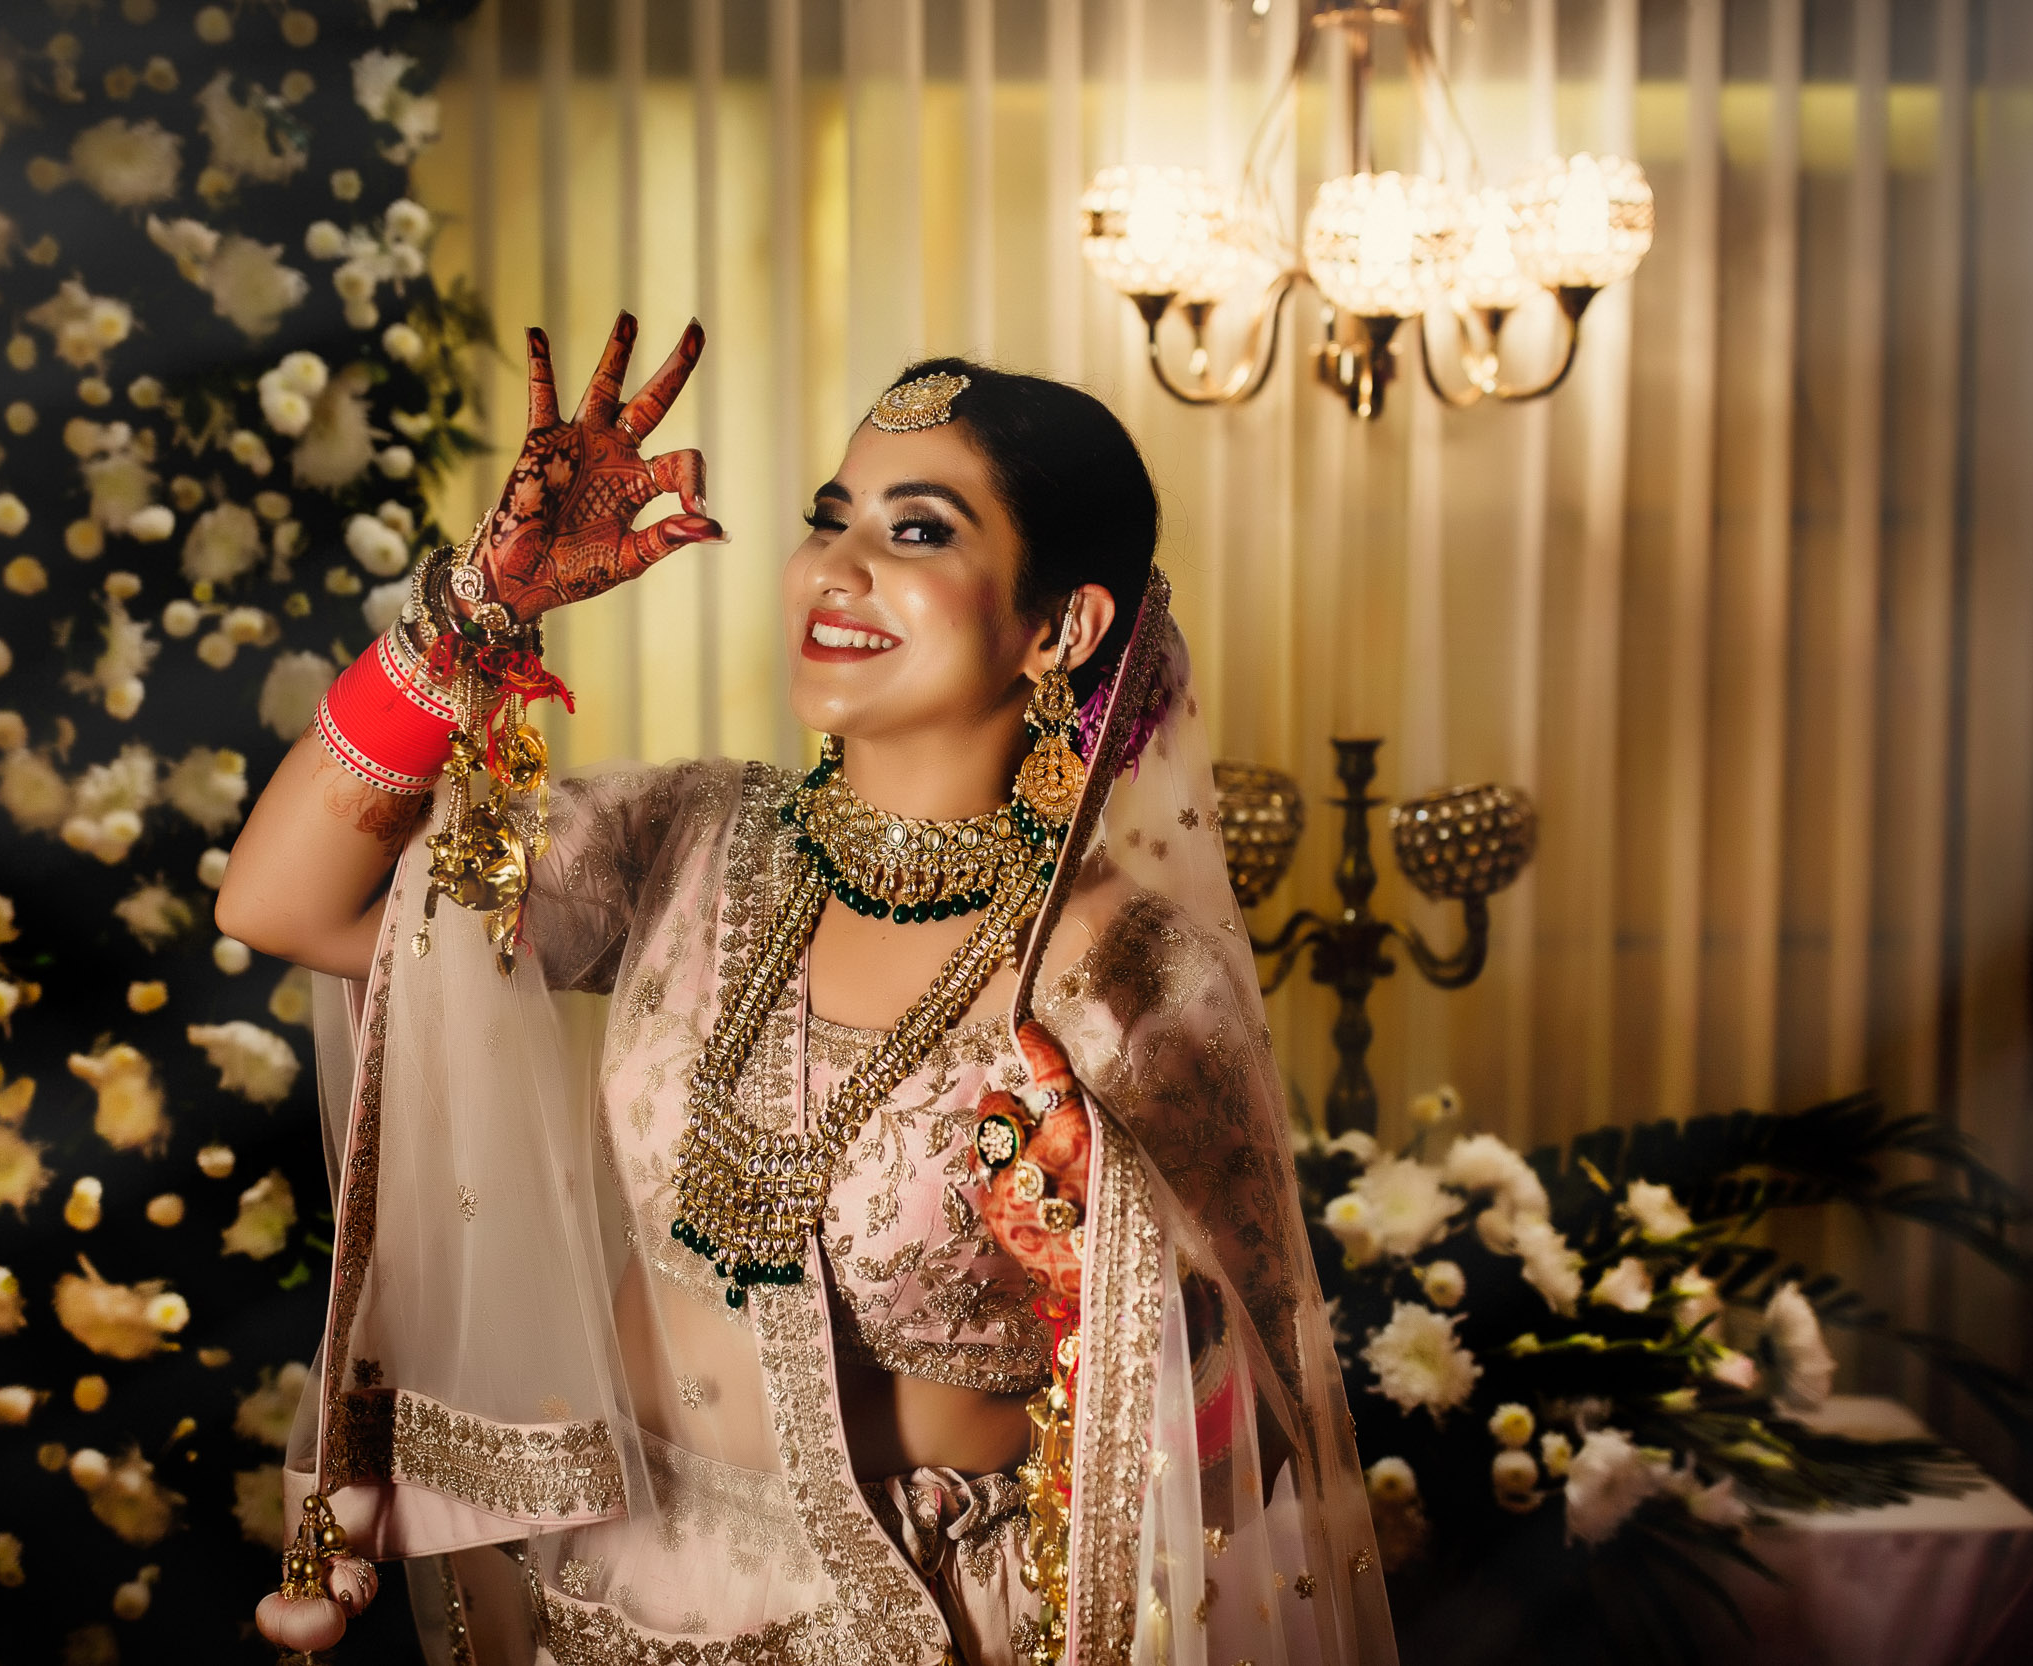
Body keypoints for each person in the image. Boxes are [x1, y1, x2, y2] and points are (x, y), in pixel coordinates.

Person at [218, 314, 1395, 1666]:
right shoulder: (689, 840)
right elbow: (287, 903)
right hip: (604, 1597)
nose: (836, 569)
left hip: (925, 1618)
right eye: (829, 520)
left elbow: (1265, 1426)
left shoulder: (1127, 977)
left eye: (918, 531)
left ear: (1060, 625)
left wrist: (1097, 1271)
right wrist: (480, 606)